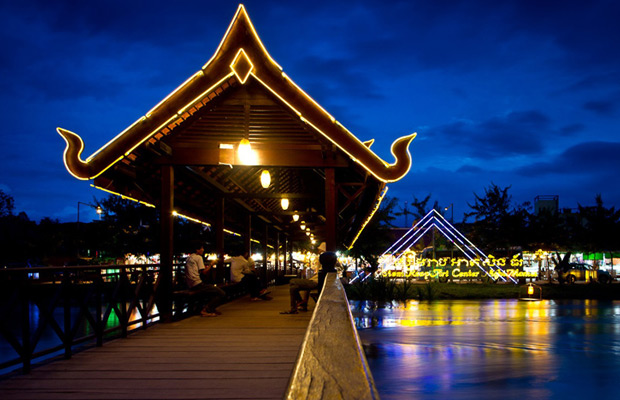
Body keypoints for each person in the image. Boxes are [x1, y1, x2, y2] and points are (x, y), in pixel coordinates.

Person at [186, 241, 226, 317]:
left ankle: (208, 308)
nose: (203, 250)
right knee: (221, 293)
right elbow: (204, 272)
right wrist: (211, 264)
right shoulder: (198, 257)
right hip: (197, 284)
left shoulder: (189, 258)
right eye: (202, 248)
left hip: (190, 284)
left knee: (210, 291)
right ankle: (206, 310)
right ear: (197, 250)